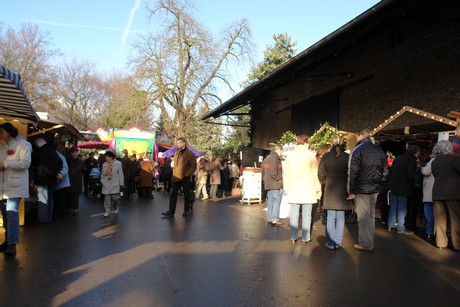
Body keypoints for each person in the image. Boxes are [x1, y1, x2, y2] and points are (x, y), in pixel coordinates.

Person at [347, 129, 387, 252]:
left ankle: (366, 243)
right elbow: (385, 170)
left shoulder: (357, 150)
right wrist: (379, 182)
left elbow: (352, 172)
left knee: (364, 217)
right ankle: (369, 241)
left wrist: (351, 191)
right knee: (370, 215)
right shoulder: (379, 150)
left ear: (359, 136)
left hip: (362, 188)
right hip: (374, 188)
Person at [0, 122, 32, 256]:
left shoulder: (23, 145)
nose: (0, 134)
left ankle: (12, 244)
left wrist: (6, 163)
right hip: (3, 187)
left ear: (9, 131)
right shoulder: (2, 147)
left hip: (15, 185)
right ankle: (8, 240)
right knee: (5, 215)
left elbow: (26, 163)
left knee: (11, 212)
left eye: (1, 132)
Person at [284, 134, 322, 244]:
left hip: (294, 188)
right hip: (308, 188)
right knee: (307, 215)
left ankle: (293, 237)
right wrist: (318, 188)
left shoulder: (290, 156)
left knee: (294, 214)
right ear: (306, 142)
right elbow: (315, 174)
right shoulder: (311, 156)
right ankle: (306, 237)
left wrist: (286, 187)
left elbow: (286, 174)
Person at [318, 135, 352, 250]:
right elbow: (351, 172)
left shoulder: (326, 156)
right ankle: (338, 242)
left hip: (330, 189)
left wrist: (324, 181)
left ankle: (331, 242)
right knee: (341, 217)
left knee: (331, 217)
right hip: (343, 190)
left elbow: (320, 172)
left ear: (331, 143)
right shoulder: (347, 157)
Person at [431, 140, 460, 250]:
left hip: (438, 192)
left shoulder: (435, 161)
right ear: (449, 148)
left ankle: (441, 243)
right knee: (455, 219)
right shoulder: (454, 159)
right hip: (453, 193)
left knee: (439, 220)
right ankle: (457, 244)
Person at [386, 145, 421, 235]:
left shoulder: (399, 157)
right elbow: (410, 175)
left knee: (393, 207)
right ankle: (400, 227)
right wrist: (412, 186)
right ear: (416, 153)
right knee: (402, 208)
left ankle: (391, 225)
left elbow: (391, 171)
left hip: (393, 185)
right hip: (404, 187)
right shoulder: (412, 160)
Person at [161, 137, 197, 218]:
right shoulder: (177, 152)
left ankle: (186, 210)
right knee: (173, 194)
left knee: (186, 194)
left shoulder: (190, 153)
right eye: (177, 143)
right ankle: (171, 211)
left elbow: (193, 166)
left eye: (179, 143)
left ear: (184, 143)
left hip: (185, 177)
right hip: (176, 176)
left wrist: (188, 174)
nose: (178, 145)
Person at [30, 137, 62, 223]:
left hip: (42, 179)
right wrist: (56, 174)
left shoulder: (41, 151)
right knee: (50, 198)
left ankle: (43, 218)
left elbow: (43, 167)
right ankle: (49, 217)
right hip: (52, 180)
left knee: (42, 199)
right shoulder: (53, 151)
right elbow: (60, 163)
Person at [262, 144, 283, 226]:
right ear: (279, 150)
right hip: (274, 183)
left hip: (269, 183)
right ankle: (275, 219)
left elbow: (265, 168)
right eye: (282, 151)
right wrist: (279, 178)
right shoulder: (275, 157)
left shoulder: (267, 158)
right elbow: (273, 171)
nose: (282, 152)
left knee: (270, 201)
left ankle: (270, 218)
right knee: (276, 201)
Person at [101, 151, 124, 217]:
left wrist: (121, 184)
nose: (106, 158)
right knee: (107, 199)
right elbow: (102, 174)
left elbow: (120, 174)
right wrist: (102, 181)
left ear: (111, 157)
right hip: (106, 183)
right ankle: (107, 211)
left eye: (107, 157)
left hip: (115, 183)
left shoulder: (118, 163)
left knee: (115, 198)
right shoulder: (104, 164)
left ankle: (116, 207)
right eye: (105, 157)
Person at [52, 143, 70, 221]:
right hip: (62, 183)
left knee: (59, 199)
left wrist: (61, 174)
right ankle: (60, 214)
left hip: (61, 183)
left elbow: (65, 168)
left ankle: (59, 214)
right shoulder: (60, 155)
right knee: (60, 199)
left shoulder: (59, 156)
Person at [67, 146, 86, 216]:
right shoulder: (68, 160)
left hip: (76, 181)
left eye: (76, 152)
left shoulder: (79, 161)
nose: (75, 154)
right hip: (70, 180)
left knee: (75, 196)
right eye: (73, 153)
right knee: (70, 195)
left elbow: (84, 170)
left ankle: (75, 209)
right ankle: (70, 208)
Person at [421, 153, 435, 241]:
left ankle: (430, 231)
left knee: (429, 212)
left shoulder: (433, 160)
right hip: (440, 191)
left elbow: (425, 171)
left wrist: (422, 167)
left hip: (430, 191)